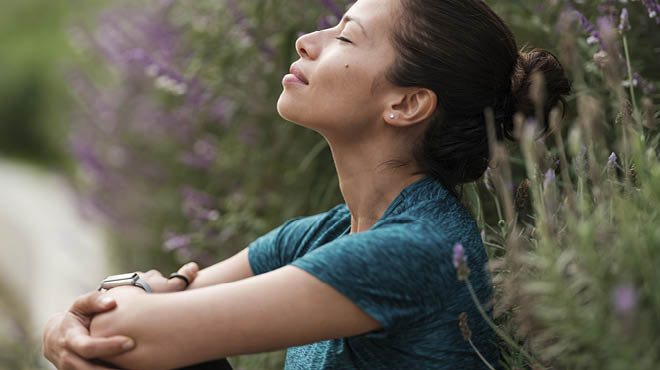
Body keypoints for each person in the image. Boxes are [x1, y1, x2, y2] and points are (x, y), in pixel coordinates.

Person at [42, 0, 571, 369]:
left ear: (406, 104)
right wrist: (77, 319)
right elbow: (141, 313)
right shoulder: (330, 232)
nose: (307, 40)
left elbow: (124, 333)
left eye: (344, 36)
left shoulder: (416, 250)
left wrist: (93, 316)